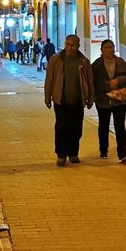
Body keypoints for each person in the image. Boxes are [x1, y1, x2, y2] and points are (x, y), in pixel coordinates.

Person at [44, 34, 93, 166]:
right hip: (61, 100)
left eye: (73, 45)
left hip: (78, 100)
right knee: (61, 127)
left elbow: (89, 81)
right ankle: (61, 154)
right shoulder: (56, 60)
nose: (70, 48)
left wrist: (90, 98)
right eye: (68, 45)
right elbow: (49, 79)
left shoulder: (84, 61)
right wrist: (47, 96)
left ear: (78, 46)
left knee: (76, 128)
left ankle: (73, 153)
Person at [92, 39, 126, 163]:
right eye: (107, 47)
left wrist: (119, 81)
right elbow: (94, 82)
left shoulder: (121, 62)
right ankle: (103, 150)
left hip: (119, 100)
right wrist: (108, 85)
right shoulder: (97, 65)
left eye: (112, 47)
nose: (110, 49)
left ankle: (122, 154)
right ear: (102, 50)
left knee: (120, 126)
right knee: (103, 125)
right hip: (103, 101)